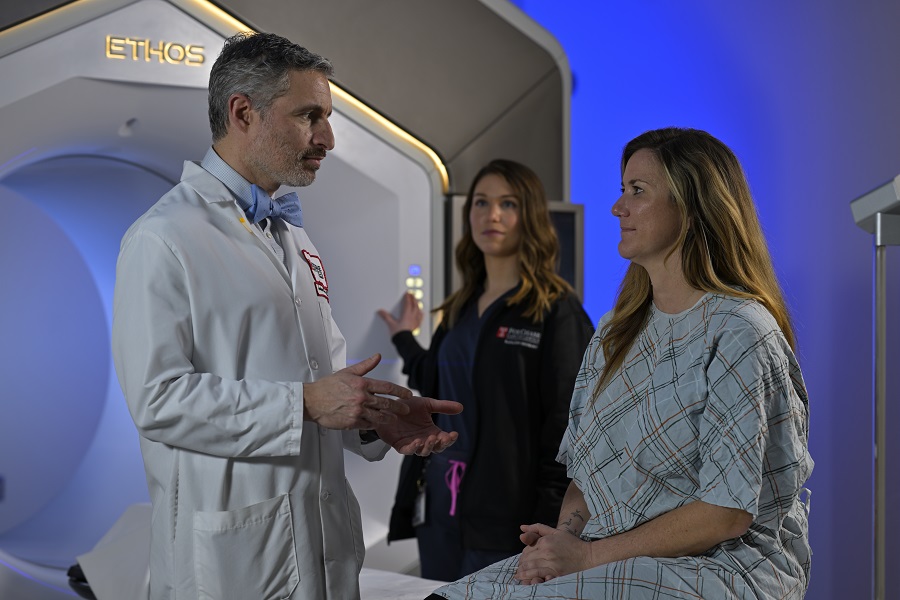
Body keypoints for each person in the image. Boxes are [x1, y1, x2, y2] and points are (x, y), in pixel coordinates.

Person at [111, 31, 463, 600]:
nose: (327, 138)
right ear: (242, 113)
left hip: (320, 540)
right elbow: (158, 400)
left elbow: (322, 379)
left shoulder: (292, 236)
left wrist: (375, 417)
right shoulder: (163, 238)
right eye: (308, 116)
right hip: (232, 560)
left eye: (327, 118)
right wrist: (302, 404)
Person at [427, 128, 814, 599]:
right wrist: (563, 542)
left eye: (637, 191)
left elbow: (726, 512)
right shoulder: (616, 332)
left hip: (719, 567)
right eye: (622, 189)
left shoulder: (739, 331)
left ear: (691, 206)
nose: (617, 207)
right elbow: (584, 475)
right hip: (609, 550)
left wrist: (586, 557)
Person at [378, 159, 594, 581]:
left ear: (529, 216)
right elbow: (438, 383)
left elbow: (569, 426)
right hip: (440, 507)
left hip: (507, 520)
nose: (492, 215)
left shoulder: (555, 311)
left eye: (508, 204)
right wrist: (404, 337)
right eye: (481, 202)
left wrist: (552, 526)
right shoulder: (460, 308)